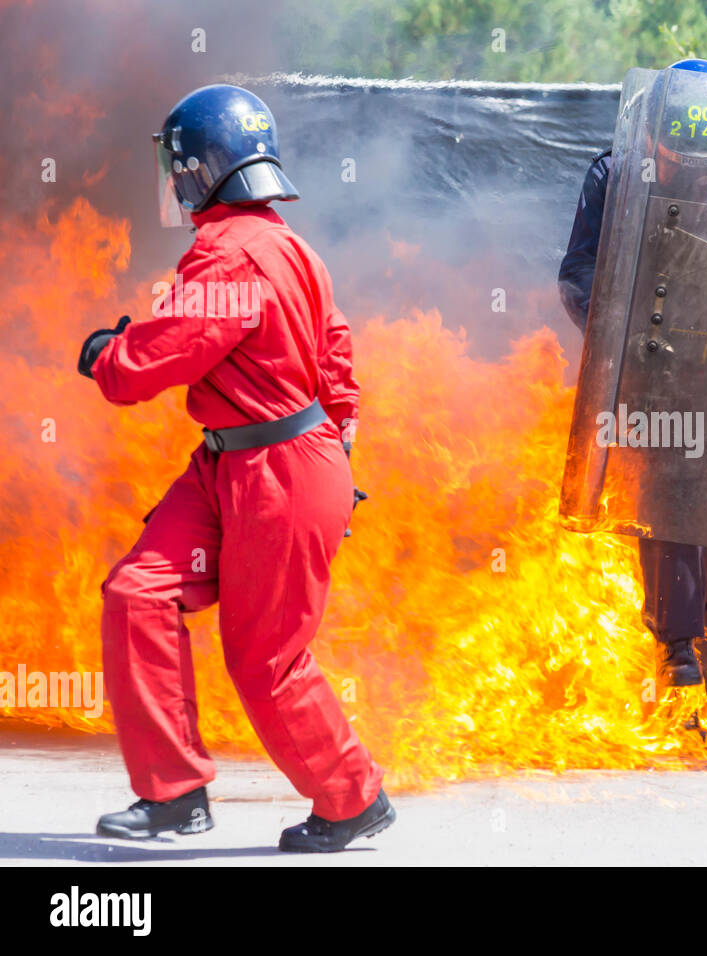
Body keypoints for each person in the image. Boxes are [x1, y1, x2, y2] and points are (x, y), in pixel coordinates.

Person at [79, 84, 393, 850]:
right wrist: (339, 449)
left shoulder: (229, 255)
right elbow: (339, 360)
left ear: (196, 170)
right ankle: (174, 796)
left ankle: (353, 799)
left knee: (266, 661)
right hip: (235, 465)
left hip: (277, 472)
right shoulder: (288, 244)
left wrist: (106, 357)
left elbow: (150, 364)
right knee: (138, 593)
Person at [558, 58, 707, 702]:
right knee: (667, 501)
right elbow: (579, 272)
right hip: (653, 366)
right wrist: (616, 334)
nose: (691, 168)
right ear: (652, 135)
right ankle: (677, 648)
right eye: (676, 154)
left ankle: (705, 651)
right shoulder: (615, 173)